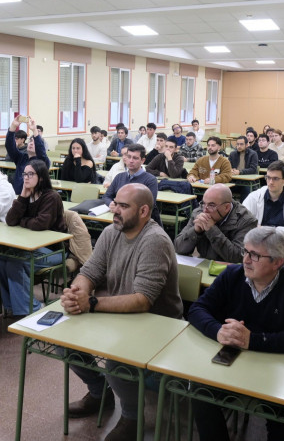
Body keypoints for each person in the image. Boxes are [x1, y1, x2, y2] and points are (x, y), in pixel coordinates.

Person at [60, 183, 183, 441]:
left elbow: (142, 301)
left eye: (123, 206)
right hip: (120, 317)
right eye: (115, 203)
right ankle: (99, 392)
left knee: (116, 360)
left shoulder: (155, 241)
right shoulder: (111, 232)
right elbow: (89, 272)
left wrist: (91, 304)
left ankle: (131, 416)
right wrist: (76, 293)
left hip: (157, 326)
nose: (115, 210)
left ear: (144, 211)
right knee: (61, 341)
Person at [188, 226, 284, 441]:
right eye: (245, 252)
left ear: (278, 262)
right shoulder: (232, 275)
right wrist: (218, 331)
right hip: (233, 365)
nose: (246, 260)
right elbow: (197, 309)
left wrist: (253, 340)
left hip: (277, 370)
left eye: (255, 255)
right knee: (201, 392)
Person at [0, 161, 66, 318]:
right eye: (24, 174)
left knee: (16, 262)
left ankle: (33, 307)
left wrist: (24, 221)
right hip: (32, 246)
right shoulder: (27, 196)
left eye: (30, 174)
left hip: (53, 250)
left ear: (41, 177)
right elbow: (10, 220)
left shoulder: (51, 197)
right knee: (1, 261)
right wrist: (22, 197)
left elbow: (40, 224)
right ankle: (13, 306)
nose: (26, 178)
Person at [174, 184, 257, 263]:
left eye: (211, 205)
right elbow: (178, 248)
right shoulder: (199, 212)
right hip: (204, 265)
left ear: (226, 207)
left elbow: (238, 257)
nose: (205, 210)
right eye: (203, 203)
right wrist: (195, 231)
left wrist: (212, 230)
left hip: (229, 271)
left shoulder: (246, 221)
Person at [242, 161, 284, 237]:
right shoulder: (254, 196)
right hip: (258, 240)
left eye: (275, 178)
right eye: (268, 177)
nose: (270, 182)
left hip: (282, 242)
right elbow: (243, 222)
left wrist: (269, 230)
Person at [103, 144, 161, 226]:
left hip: (141, 223)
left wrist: (122, 207)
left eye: (135, 158)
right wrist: (110, 203)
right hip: (119, 218)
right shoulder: (119, 177)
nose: (131, 160)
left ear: (142, 160)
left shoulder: (150, 180)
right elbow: (106, 196)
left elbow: (149, 205)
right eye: (129, 157)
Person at [5, 115, 49, 194]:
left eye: (34, 142)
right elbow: (9, 146)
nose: (32, 143)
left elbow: (41, 153)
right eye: (30, 141)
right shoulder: (21, 157)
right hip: (18, 195)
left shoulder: (42, 161)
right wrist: (13, 127)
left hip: (34, 196)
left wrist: (34, 130)